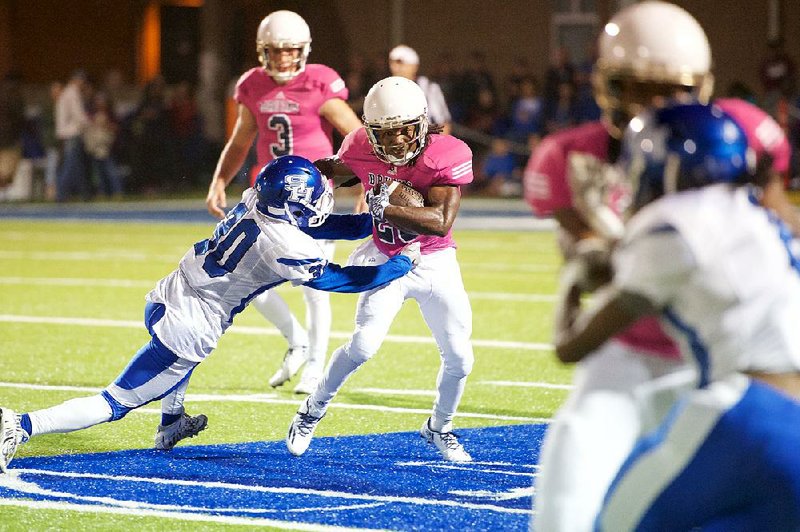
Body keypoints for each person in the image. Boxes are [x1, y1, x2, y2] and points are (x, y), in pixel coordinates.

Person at [522, 2, 798, 531]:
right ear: (607, 84)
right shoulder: (569, 155)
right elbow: (596, 261)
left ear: (702, 85)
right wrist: (597, 253)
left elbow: (781, 221)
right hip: (627, 354)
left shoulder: (738, 136)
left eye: (673, 88)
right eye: (640, 88)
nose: (659, 103)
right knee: (565, 505)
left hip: (726, 366)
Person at [0, 155, 421, 470]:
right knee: (116, 401)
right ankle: (20, 425)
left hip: (170, 291)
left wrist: (373, 223)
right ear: (292, 204)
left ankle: (170, 423)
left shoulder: (258, 200)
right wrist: (399, 265)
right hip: (191, 322)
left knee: (181, 366)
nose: (319, 201)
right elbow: (341, 280)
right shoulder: (285, 244)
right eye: (311, 197)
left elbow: (315, 225)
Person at [285, 76, 475, 462]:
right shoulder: (359, 145)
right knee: (363, 346)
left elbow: (440, 220)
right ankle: (312, 410)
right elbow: (334, 168)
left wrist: (383, 208)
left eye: (404, 131)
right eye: (384, 134)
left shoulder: (446, 154)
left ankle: (440, 427)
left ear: (421, 123)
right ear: (370, 132)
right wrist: (302, 186)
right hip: (385, 253)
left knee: (461, 358)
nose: (395, 142)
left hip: (434, 257)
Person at [205, 10, 363, 396]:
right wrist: (219, 180)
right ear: (263, 52)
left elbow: (357, 138)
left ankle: (314, 369)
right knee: (241, 277)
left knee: (314, 284)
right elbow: (241, 140)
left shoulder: (319, 84)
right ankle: (297, 339)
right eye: (276, 52)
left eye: (290, 51)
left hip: (311, 201)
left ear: (303, 51)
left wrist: (362, 188)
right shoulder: (253, 86)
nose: (283, 59)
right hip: (265, 199)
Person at [388, 45, 452, 134]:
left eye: (401, 63)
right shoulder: (386, 89)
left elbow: (443, 124)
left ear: (414, 66)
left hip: (426, 141)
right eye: (392, 63)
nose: (395, 67)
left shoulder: (428, 88)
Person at [54, 70, 90, 202]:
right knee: (70, 164)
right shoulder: (72, 93)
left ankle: (85, 193)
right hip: (71, 133)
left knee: (77, 165)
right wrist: (89, 123)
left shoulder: (66, 93)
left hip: (66, 133)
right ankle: (61, 194)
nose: (83, 84)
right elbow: (78, 115)